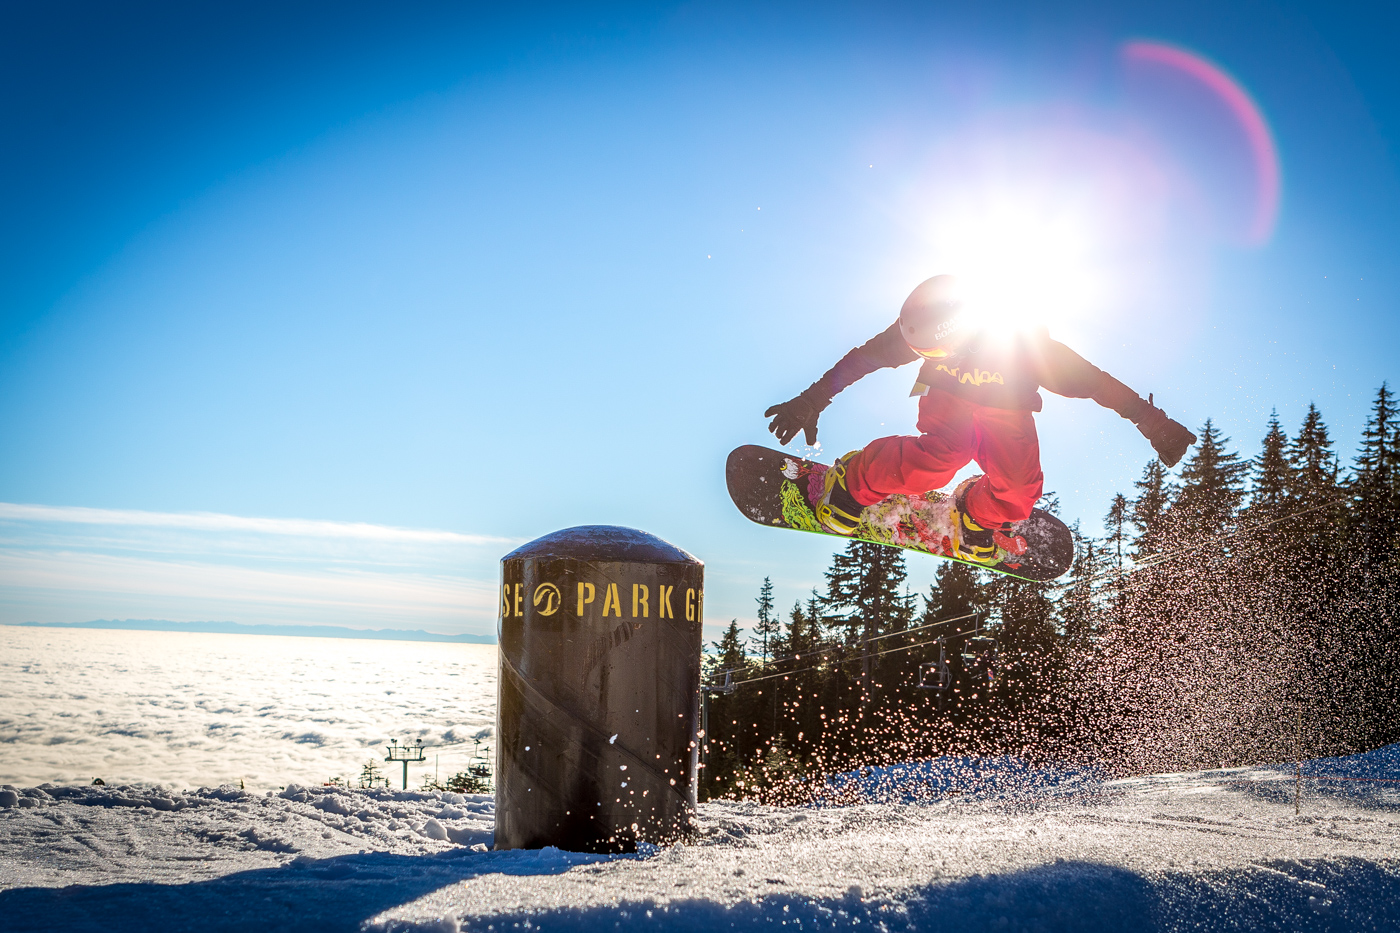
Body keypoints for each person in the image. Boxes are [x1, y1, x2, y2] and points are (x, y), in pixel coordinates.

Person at [764, 275, 1196, 565]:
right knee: (943, 455)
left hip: (1007, 404)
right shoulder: (920, 328)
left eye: (937, 352)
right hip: (947, 397)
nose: (932, 358)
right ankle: (854, 480)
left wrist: (1152, 422)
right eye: (924, 356)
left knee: (1020, 485)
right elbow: (861, 361)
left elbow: (1098, 383)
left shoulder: (1031, 349)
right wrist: (811, 399)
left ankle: (977, 515)